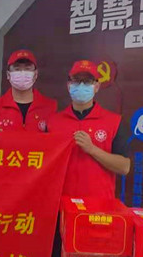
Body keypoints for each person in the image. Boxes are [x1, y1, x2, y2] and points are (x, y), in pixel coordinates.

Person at [47, 59, 131, 197]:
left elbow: (124, 167)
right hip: (61, 202)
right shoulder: (53, 122)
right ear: (68, 85)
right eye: (76, 80)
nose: (81, 85)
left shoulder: (114, 122)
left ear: (96, 86)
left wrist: (92, 149)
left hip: (99, 203)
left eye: (87, 81)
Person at [0, 49, 57, 133]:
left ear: (36, 74)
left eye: (28, 69)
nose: (22, 73)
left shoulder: (50, 107)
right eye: (17, 69)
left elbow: (56, 138)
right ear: (8, 75)